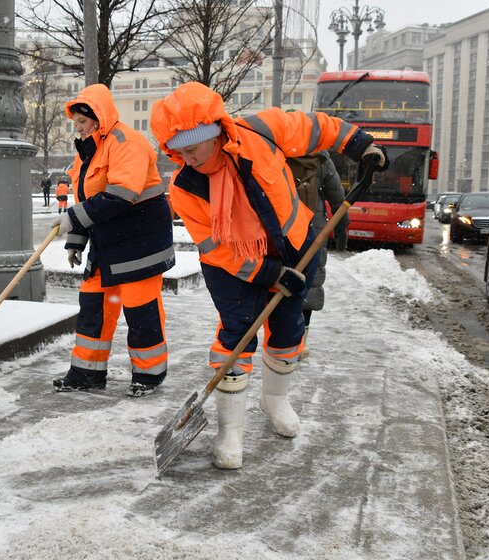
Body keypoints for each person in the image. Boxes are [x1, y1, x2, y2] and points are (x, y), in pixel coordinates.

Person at [149, 82, 386, 468]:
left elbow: (316, 128)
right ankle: (231, 430)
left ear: (215, 133)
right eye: (178, 152)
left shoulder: (261, 131)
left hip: (297, 246)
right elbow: (216, 248)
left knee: (290, 331)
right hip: (234, 270)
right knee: (237, 336)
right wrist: (269, 273)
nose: (187, 158)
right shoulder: (185, 187)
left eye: (192, 148)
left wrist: (360, 144)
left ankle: (275, 399)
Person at [52, 83, 175, 397]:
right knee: (92, 303)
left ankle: (148, 376)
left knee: (140, 309)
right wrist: (76, 242)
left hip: (140, 241)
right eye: (75, 123)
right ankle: (86, 373)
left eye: (82, 121)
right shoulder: (86, 155)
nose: (77, 128)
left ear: (99, 117)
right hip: (107, 243)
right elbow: (83, 200)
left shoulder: (126, 142)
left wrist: (74, 220)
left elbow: (121, 195)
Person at [299, 151, 349, 361]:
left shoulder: (276, 149)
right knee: (309, 284)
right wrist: (341, 234)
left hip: (284, 224)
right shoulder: (321, 157)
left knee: (284, 280)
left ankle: (280, 339)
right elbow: (338, 198)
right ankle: (299, 343)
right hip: (313, 228)